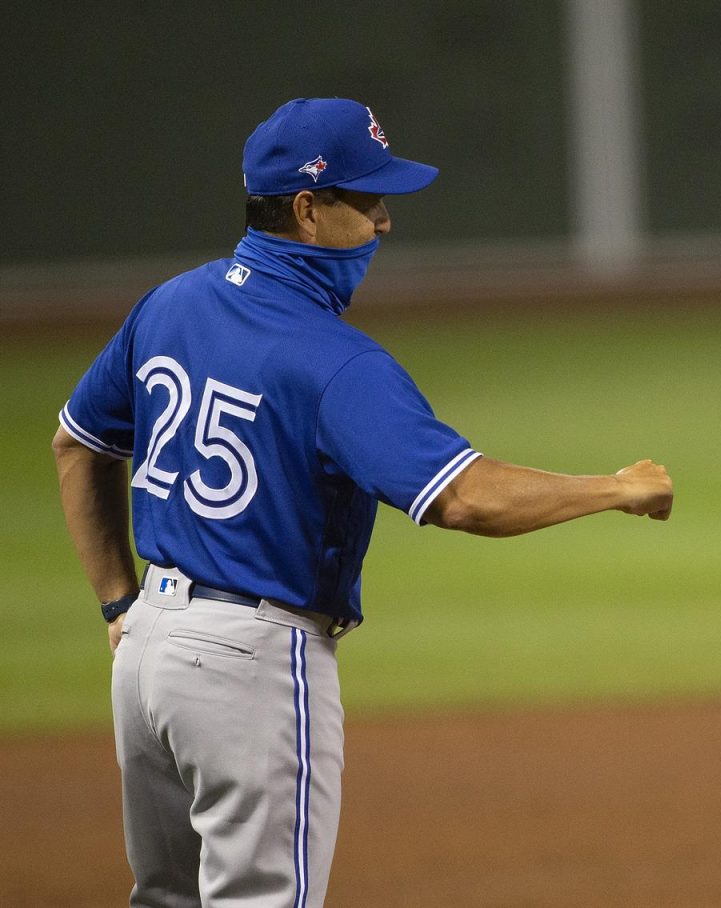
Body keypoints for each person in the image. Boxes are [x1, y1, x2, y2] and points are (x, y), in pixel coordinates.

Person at [52, 97, 673, 907]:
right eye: (366, 199)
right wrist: (618, 488)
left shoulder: (168, 304)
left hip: (146, 657)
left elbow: (78, 444)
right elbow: (465, 498)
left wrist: (116, 604)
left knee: (166, 900)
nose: (383, 222)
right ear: (308, 210)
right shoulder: (336, 361)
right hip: (249, 664)